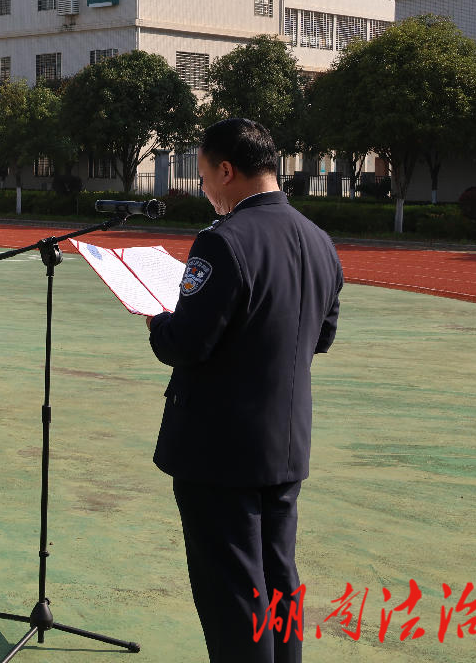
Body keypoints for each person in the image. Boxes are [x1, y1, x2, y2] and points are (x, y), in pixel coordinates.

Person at [145, 118, 343, 663]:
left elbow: (185, 342)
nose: (205, 190)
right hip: (284, 444)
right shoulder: (319, 240)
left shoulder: (222, 241)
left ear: (226, 170)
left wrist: (157, 321)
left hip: (220, 451)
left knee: (234, 593)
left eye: (205, 176)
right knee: (280, 582)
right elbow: (321, 337)